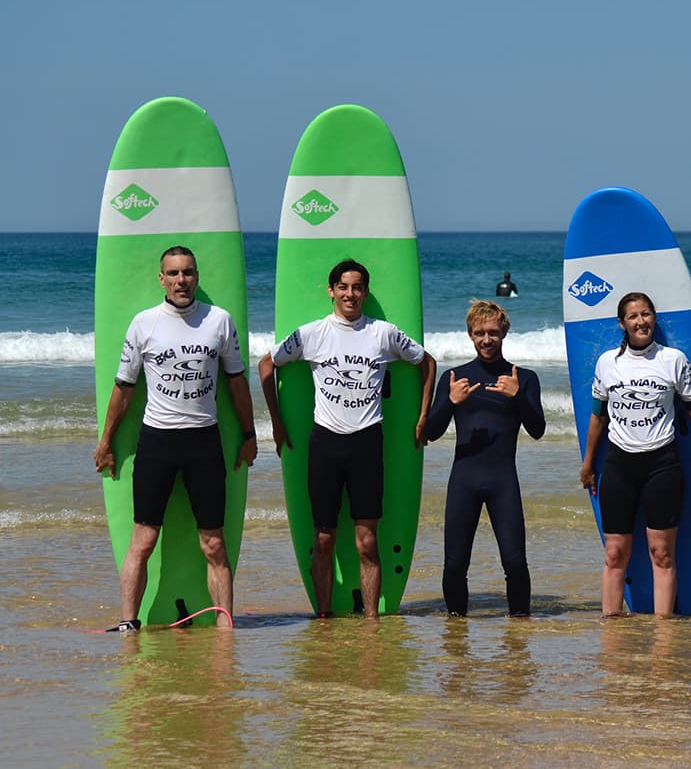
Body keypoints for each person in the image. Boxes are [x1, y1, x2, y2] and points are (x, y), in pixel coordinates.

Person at [258, 259, 436, 619]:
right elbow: (266, 365)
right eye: (343, 287)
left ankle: (371, 620)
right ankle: (323, 618)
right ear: (331, 291)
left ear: (366, 292)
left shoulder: (382, 333)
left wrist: (422, 415)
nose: (350, 294)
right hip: (325, 443)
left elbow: (427, 363)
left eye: (357, 287)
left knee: (367, 542)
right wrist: (277, 423)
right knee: (323, 540)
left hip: (367, 444)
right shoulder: (312, 334)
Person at [93, 246, 257, 632]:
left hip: (204, 442)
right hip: (157, 443)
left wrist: (249, 434)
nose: (181, 280)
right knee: (144, 540)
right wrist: (106, 442)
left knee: (214, 545)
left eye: (188, 273)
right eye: (173, 273)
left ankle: (225, 626)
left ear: (197, 276)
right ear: (161, 278)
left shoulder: (218, 321)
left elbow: (236, 383)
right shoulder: (144, 323)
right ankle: (128, 622)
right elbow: (124, 388)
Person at [580, 292, 691, 619]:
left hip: (662, 464)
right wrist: (588, 462)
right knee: (614, 553)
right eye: (633, 316)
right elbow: (597, 416)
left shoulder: (672, 360)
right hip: (619, 464)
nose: (641, 321)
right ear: (622, 323)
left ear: (654, 318)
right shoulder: (608, 362)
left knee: (662, 553)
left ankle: (664, 631)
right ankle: (611, 624)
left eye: (646, 314)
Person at [425, 300, 545, 616]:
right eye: (479, 333)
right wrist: (450, 403)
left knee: (515, 561)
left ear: (503, 332)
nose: (486, 339)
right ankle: (456, 631)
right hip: (464, 479)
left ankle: (519, 633)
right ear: (470, 335)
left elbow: (537, 430)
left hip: (503, 480)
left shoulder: (524, 378)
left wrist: (518, 397)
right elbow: (430, 433)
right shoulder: (454, 377)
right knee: (454, 564)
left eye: (492, 332)